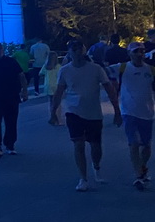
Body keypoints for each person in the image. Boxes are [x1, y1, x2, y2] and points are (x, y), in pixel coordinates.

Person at [50, 40, 121, 191]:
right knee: (79, 144)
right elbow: (59, 92)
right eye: (73, 49)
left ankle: (96, 166)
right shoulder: (65, 70)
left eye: (79, 48)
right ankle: (83, 178)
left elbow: (109, 88)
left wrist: (117, 110)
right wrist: (53, 112)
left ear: (84, 51)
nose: (77, 52)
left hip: (93, 113)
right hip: (74, 112)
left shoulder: (96, 69)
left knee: (95, 146)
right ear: (69, 52)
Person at [115, 43, 154, 190]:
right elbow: (102, 72)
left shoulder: (150, 70)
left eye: (142, 51)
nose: (140, 54)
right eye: (136, 51)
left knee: (146, 146)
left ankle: (143, 167)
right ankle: (138, 175)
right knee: (134, 144)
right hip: (129, 112)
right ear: (130, 53)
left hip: (147, 112)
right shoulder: (122, 68)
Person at [0, 42, 28, 156]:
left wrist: (24, 91)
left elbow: (21, 76)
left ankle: (10, 144)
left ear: (1, 49)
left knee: (11, 121)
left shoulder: (11, 62)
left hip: (11, 96)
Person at [43, 51, 64, 125]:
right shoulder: (58, 66)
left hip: (48, 85)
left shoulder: (45, 66)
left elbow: (41, 73)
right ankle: (58, 119)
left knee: (51, 102)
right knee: (58, 103)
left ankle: (52, 117)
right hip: (56, 85)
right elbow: (61, 75)